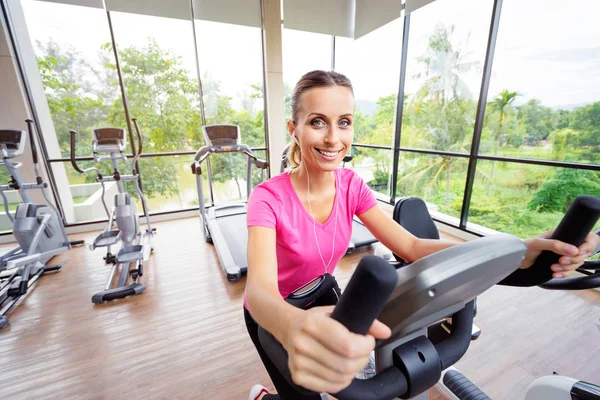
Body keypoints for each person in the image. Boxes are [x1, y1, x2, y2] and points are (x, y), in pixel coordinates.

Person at [243, 70, 600, 400]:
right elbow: (258, 291)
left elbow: (411, 246)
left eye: (345, 122)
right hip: (276, 310)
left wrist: (516, 249)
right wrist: (289, 326)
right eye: (317, 122)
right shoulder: (268, 198)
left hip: (322, 292)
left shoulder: (351, 186)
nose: (334, 138)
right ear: (295, 127)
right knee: (302, 394)